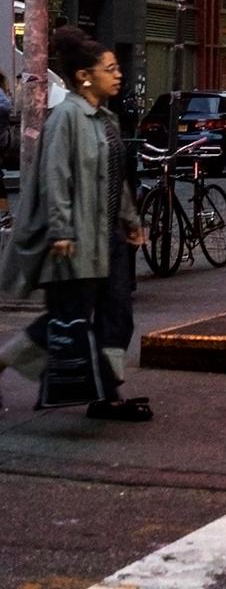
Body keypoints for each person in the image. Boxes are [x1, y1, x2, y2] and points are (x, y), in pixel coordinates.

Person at [0, 28, 149, 419]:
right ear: (85, 75)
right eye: (110, 69)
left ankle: (108, 395)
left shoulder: (105, 118)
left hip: (111, 239)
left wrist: (131, 222)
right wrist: (62, 230)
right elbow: (55, 178)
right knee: (65, 321)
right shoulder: (66, 117)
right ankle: (1, 363)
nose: (118, 76)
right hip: (79, 238)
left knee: (118, 317)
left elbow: (117, 177)